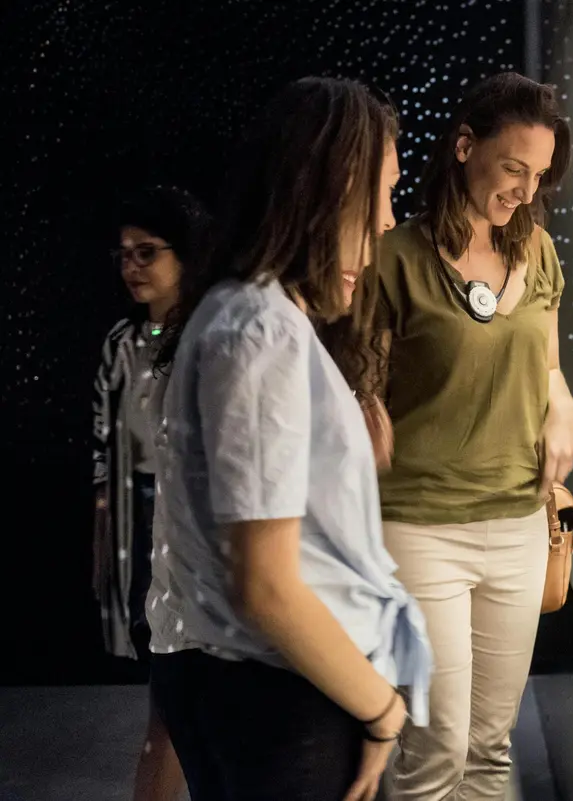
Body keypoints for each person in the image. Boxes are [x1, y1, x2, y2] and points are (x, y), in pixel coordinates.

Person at [146, 76, 430, 801]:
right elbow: (266, 585)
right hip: (284, 696)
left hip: (250, 688)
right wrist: (382, 707)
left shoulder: (240, 313)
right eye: (382, 194)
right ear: (324, 188)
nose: (385, 227)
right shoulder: (260, 326)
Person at [375, 72, 573, 800]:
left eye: (540, 176)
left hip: (520, 523)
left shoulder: (541, 253)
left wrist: (564, 399)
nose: (526, 191)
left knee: (491, 750)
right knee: (434, 754)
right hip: (420, 526)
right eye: (513, 168)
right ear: (465, 147)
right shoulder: (393, 258)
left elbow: (548, 366)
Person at [92, 185, 210, 801]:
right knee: (165, 713)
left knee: (176, 717)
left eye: (147, 253)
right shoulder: (125, 343)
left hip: (204, 540)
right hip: (150, 528)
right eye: (124, 255)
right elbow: (107, 441)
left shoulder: (214, 334)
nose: (132, 266)